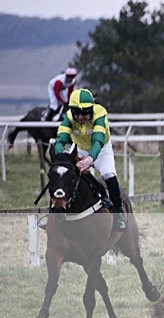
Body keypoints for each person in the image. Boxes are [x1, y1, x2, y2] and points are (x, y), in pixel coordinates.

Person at [54, 88, 126, 231]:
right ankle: (55, 212)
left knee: (109, 175)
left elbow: (98, 141)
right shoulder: (68, 118)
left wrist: (89, 159)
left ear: (92, 109)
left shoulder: (100, 114)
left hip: (101, 150)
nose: (81, 116)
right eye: (77, 112)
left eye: (85, 112)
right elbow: (60, 140)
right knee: (62, 177)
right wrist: (62, 155)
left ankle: (118, 215)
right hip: (80, 150)